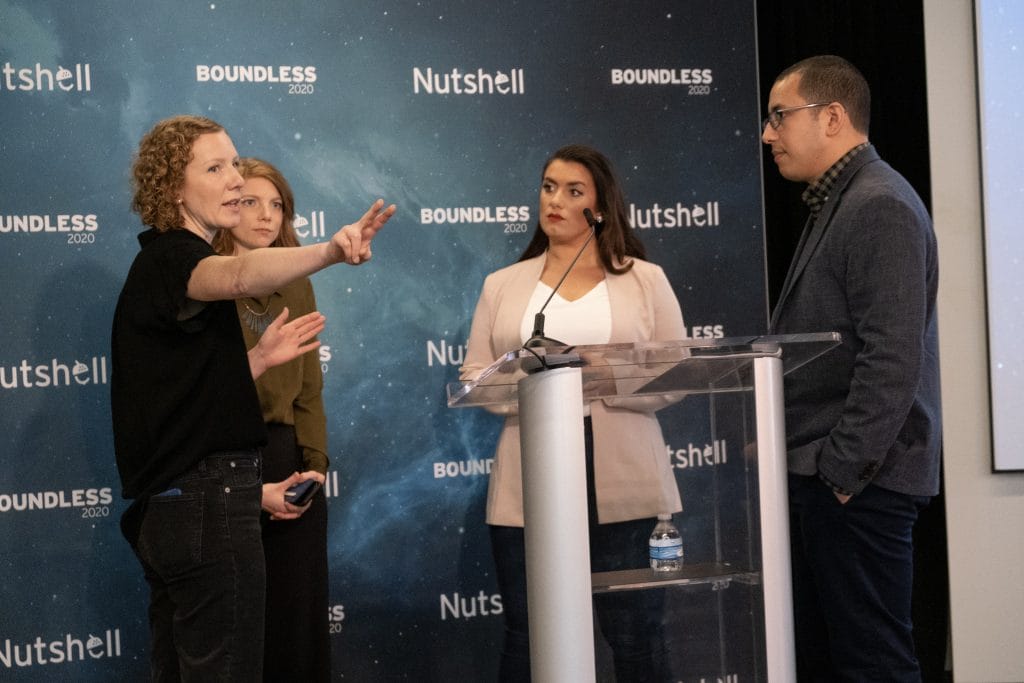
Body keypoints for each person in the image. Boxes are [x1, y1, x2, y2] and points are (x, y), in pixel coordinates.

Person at [111, 115, 394, 680]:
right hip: (203, 509)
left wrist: (260, 359)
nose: (235, 180)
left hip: (186, 506)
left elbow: (187, 397)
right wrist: (331, 251)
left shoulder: (165, 268)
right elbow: (241, 275)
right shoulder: (173, 258)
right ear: (172, 187)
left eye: (234, 162)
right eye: (215, 168)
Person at [460, 144, 685, 682]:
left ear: (600, 207)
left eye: (573, 191)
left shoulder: (644, 279)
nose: (555, 200)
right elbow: (474, 376)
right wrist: (539, 385)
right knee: (529, 631)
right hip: (530, 473)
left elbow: (677, 369)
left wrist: (603, 377)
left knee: (636, 633)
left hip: (623, 474)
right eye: (548, 187)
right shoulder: (503, 284)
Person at [761, 56, 941, 681]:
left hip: (858, 485)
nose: (768, 133)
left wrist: (842, 472)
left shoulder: (877, 204)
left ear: (832, 117)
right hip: (829, 480)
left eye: (780, 116)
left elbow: (891, 358)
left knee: (872, 666)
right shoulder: (838, 200)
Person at [212, 157, 331, 681]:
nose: (266, 216)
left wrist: (316, 465)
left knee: (296, 620)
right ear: (225, 209)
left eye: (277, 205)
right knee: (235, 627)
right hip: (221, 463)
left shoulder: (297, 283)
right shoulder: (202, 283)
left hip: (288, 460)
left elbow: (309, 390)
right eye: (251, 202)